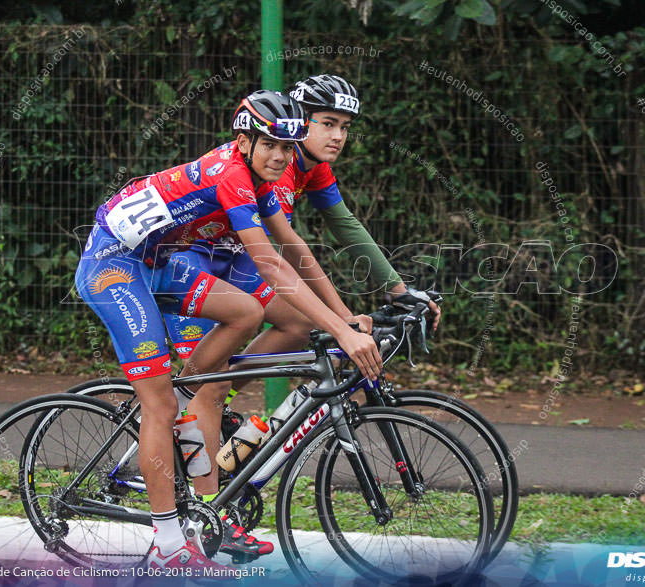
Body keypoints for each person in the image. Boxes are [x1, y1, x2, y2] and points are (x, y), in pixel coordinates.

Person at [75, 90, 382, 570]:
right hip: (114, 265)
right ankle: (168, 547)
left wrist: (342, 318)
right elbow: (272, 267)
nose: (281, 156)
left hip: (158, 261)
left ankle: (188, 391)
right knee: (158, 403)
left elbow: (292, 246)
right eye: (270, 146)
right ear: (243, 141)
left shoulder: (260, 173)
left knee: (246, 312)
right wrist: (343, 333)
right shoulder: (232, 175)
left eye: (288, 147)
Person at [164, 75, 440, 408]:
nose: (338, 136)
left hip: (233, 261)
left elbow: (345, 225)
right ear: (300, 121)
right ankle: (185, 420)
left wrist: (398, 292)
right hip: (192, 259)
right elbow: (285, 253)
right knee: (208, 384)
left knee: (298, 325)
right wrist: (341, 321)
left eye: (345, 127)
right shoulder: (277, 165)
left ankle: (218, 404)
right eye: (327, 123)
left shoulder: (314, 166)